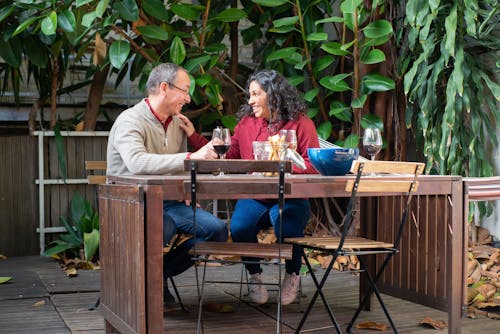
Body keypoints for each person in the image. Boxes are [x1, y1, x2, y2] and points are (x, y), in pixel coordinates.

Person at [106, 63, 228, 305]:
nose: (188, 98)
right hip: (132, 201)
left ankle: (159, 273)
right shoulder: (129, 120)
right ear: (164, 87)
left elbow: (178, 168)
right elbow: (137, 163)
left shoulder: (177, 123)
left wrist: (185, 190)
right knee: (164, 225)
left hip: (169, 201)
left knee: (217, 231)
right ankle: (144, 285)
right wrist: (192, 157)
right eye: (184, 90)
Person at [225, 69, 320, 305]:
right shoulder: (247, 123)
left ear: (273, 94)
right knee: (239, 227)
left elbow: (313, 165)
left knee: (286, 226)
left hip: (291, 197)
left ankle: (293, 274)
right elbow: (230, 154)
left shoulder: (302, 124)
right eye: (250, 95)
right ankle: (255, 275)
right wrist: (199, 139)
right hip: (256, 195)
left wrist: (282, 169)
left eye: (256, 94)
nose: (250, 101)